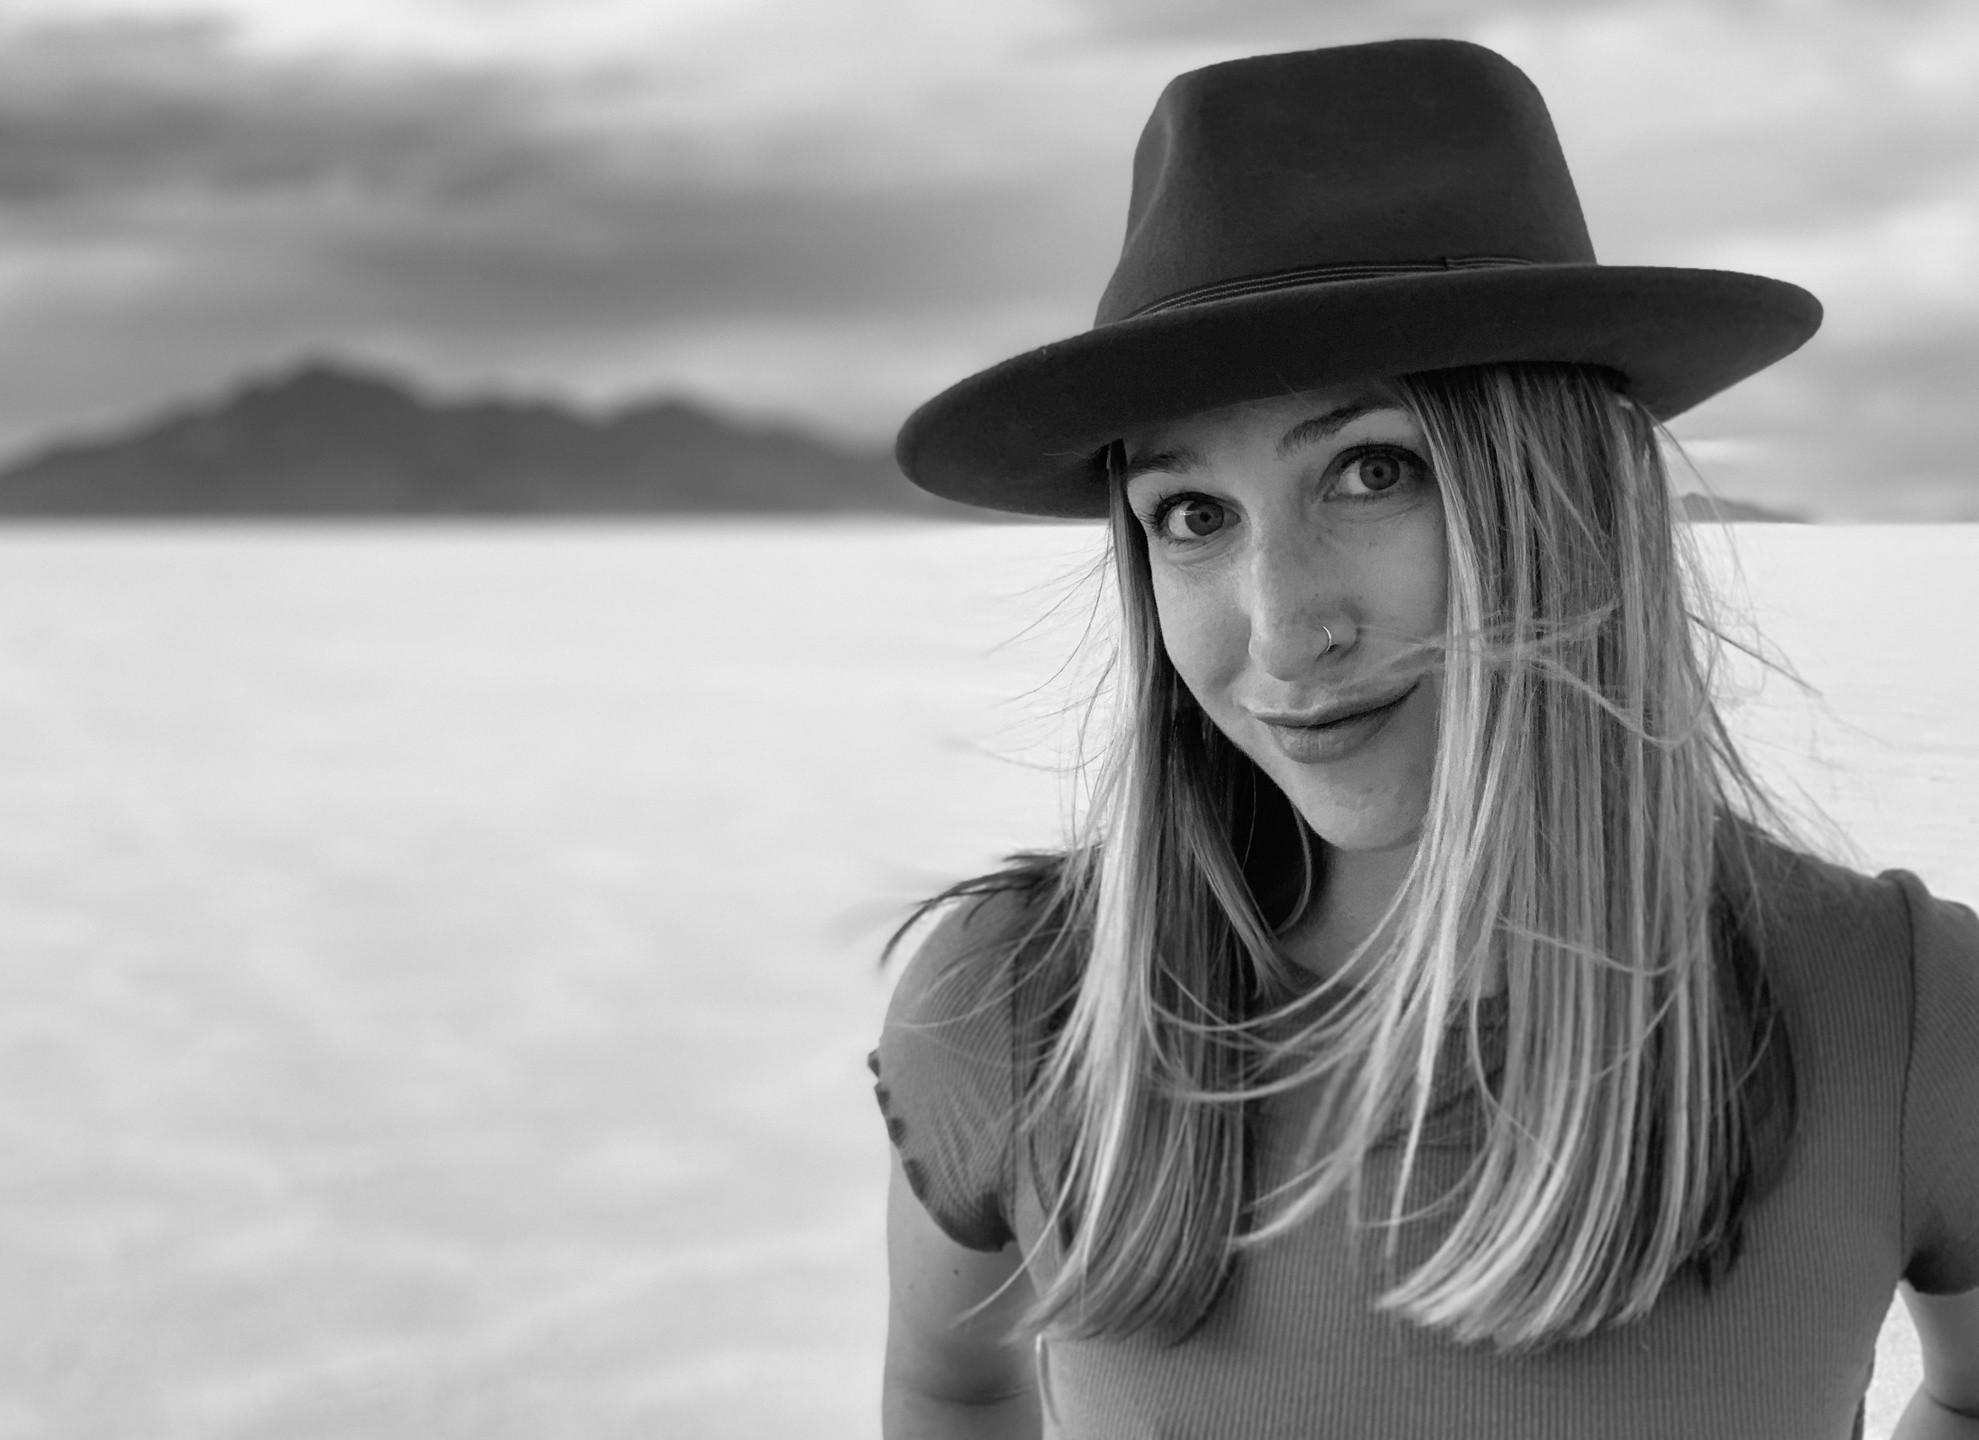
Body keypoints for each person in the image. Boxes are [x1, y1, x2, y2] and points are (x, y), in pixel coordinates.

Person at [867, 39, 1979, 1440]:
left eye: (1373, 470)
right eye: (1191, 516)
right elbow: (952, 1386)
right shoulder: (1022, 1008)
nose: (1284, 631)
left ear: (1567, 495)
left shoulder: (1902, 1011)